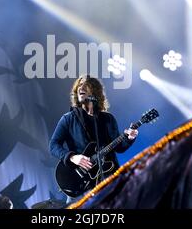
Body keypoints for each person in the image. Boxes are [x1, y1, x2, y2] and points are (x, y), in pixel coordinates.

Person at [49, 75, 138, 203]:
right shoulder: (69, 118)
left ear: (95, 92)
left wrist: (129, 138)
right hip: (79, 181)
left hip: (107, 179)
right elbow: (53, 145)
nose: (81, 87)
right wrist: (72, 157)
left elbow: (119, 147)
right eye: (79, 85)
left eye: (86, 85)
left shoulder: (108, 119)